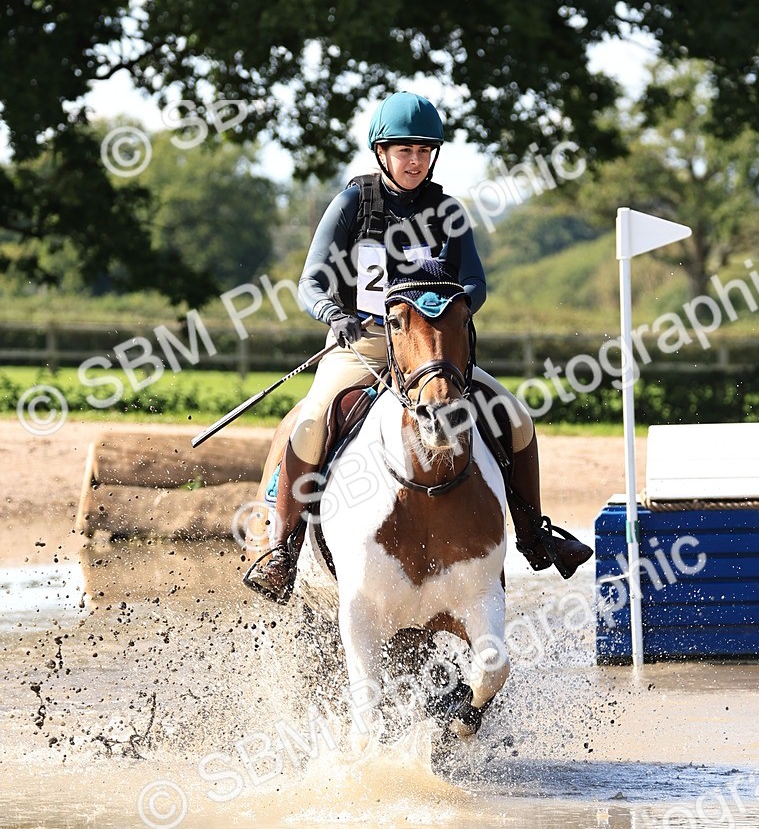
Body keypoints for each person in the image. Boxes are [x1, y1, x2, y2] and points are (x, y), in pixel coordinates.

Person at [246, 91, 591, 601]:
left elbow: (476, 282)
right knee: (312, 419)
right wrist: (333, 315)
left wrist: (448, 308)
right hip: (361, 345)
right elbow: (310, 283)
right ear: (381, 153)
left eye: (424, 151)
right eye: (404, 150)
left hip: (432, 352)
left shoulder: (447, 210)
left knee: (516, 418)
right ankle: (283, 551)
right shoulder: (351, 205)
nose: (414, 161)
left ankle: (533, 534)